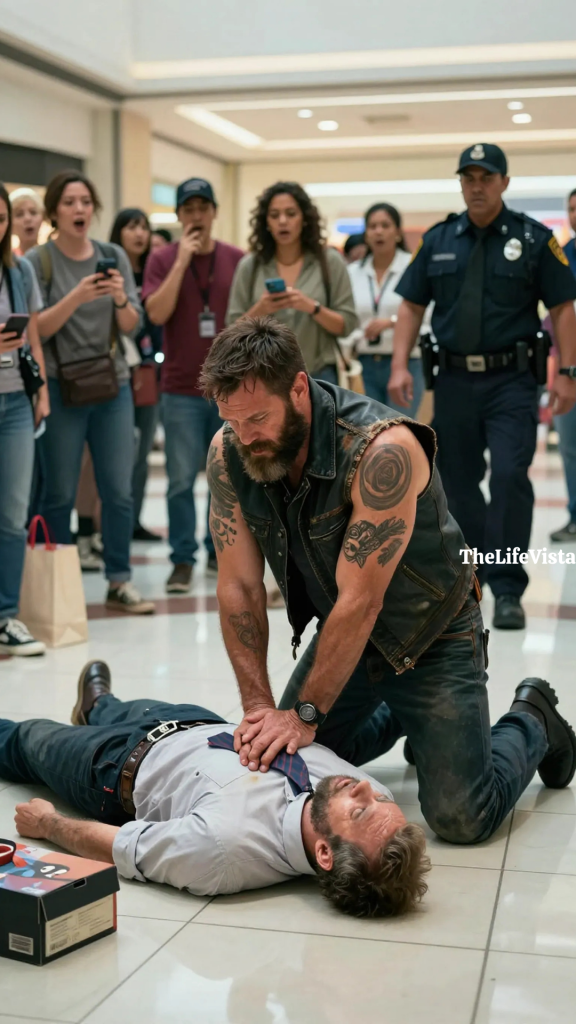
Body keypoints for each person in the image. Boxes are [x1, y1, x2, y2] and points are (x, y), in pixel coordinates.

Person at [199, 316, 576, 850]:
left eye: (258, 418)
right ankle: (408, 717)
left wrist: (304, 714)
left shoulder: (382, 450)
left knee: (461, 817)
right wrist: (260, 709)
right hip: (349, 634)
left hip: (432, 632)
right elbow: (239, 586)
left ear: (299, 388)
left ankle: (532, 718)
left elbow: (362, 599)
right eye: (232, 421)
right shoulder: (228, 452)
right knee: (292, 771)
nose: (246, 437)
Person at [4, 660, 430, 919]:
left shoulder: (223, 852)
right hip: (196, 720)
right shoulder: (358, 795)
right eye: (378, 799)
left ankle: (90, 716)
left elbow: (121, 847)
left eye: (359, 809)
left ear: (324, 854)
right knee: (112, 709)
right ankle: (97, 706)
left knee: (25, 739)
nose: (364, 788)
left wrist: (49, 824)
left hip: (114, 765)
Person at [388, 144, 576, 630]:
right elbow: (410, 305)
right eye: (468, 178)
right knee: (457, 482)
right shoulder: (439, 239)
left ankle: (508, 587)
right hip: (453, 381)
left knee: (510, 475)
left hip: (512, 381)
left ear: (504, 183)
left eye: (486, 177)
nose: (476, 186)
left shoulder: (534, 239)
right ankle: (470, 580)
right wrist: (399, 365)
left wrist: (567, 372)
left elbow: (562, 307)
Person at [27, 170, 154, 615]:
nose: (79, 209)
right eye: (69, 202)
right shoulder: (39, 262)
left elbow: (132, 325)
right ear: (54, 212)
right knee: (59, 493)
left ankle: (119, 581)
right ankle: (58, 588)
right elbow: (36, 329)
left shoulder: (112, 255)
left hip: (111, 384)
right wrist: (77, 297)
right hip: (61, 387)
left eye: (85, 202)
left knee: (118, 490)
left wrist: (118, 297)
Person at [143, 178, 244, 594]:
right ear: (179, 215)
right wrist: (182, 261)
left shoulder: (236, 259)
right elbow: (156, 313)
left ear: (214, 212)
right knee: (181, 480)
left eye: (203, 207)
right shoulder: (162, 258)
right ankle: (182, 560)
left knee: (226, 478)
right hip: (180, 388)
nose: (197, 216)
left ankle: (219, 551)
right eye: (189, 209)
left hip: (229, 388)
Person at [226, 181, 358, 385]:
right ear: (266, 222)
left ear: (304, 219)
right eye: (274, 215)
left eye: (291, 213)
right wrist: (261, 309)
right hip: (263, 377)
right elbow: (231, 334)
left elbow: (347, 325)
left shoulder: (329, 261)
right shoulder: (250, 265)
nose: (283, 221)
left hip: (319, 375)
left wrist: (312, 307)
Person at [0, 183, 50, 655]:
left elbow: (32, 335)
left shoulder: (18, 271)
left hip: (16, 400)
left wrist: (42, 391)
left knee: (14, 514)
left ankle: (6, 615)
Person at [110, 207, 163, 542]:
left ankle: (133, 521)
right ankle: (105, 523)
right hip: (111, 374)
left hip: (148, 373)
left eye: (144, 227)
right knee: (113, 454)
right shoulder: (109, 272)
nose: (139, 233)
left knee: (141, 452)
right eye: (131, 227)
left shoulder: (156, 274)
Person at [343, 203, 425, 418]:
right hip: (363, 364)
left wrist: (392, 322)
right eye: (372, 226)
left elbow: (427, 316)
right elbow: (347, 319)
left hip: (407, 362)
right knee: (368, 431)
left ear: (397, 232)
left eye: (385, 225)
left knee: (399, 430)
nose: (378, 231)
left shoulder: (414, 267)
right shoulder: (352, 272)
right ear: (366, 234)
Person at [549, 188, 576, 542]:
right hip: (570, 368)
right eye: (572, 209)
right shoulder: (561, 257)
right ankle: (575, 516)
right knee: (571, 447)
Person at [9, 188, 44, 257]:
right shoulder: (8, 259)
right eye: (19, 214)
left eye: (33, 212)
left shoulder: (52, 255)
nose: (28, 219)